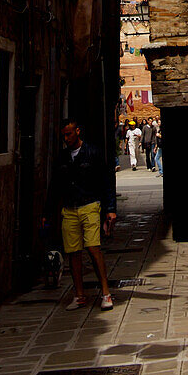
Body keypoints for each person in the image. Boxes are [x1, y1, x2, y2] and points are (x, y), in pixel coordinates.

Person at [43, 118, 116, 311]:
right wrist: (48, 212)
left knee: (93, 248)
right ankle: (79, 295)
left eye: (69, 134)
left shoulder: (93, 153)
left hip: (90, 205)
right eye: (64, 135)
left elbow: (106, 181)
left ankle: (106, 293)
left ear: (77, 131)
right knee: (73, 252)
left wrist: (110, 209)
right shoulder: (62, 158)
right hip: (69, 208)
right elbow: (55, 186)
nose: (66, 138)